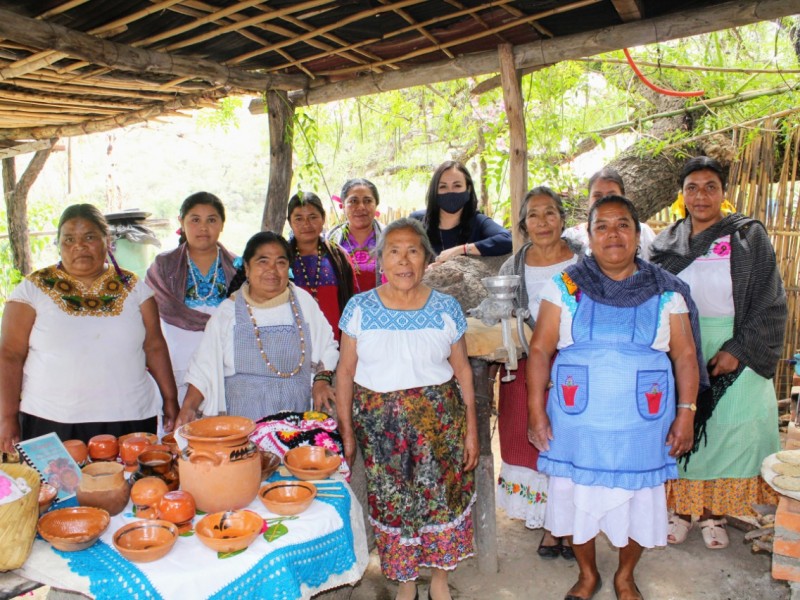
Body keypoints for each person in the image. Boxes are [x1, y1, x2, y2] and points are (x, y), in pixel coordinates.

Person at [527, 195, 704, 600]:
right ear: (588, 236)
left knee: (639, 503)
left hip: (641, 426)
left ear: (638, 233)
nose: (613, 234)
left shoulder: (665, 290)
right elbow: (539, 350)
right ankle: (588, 574)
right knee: (577, 500)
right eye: (602, 226)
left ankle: (625, 575)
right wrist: (537, 411)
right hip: (578, 424)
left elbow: (686, 355)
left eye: (622, 224)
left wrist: (686, 414)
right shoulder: (566, 285)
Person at [336, 218, 478, 600]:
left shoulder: (447, 308)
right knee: (393, 504)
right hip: (382, 432)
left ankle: (440, 580)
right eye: (394, 251)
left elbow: (463, 370)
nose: (404, 260)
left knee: (442, 500)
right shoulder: (359, 308)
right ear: (381, 260)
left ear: (426, 260)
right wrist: (346, 430)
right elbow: (345, 372)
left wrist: (471, 431)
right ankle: (405, 581)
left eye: (413, 250)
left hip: (440, 425)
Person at [650, 156, 786, 550]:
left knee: (732, 429)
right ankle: (681, 511)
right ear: (682, 195)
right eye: (692, 187)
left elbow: (770, 298)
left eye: (711, 186)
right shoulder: (666, 244)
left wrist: (738, 350)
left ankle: (714, 516)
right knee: (680, 425)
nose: (701, 195)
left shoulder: (747, 236)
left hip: (735, 342)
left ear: (724, 193)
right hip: (681, 346)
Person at [0, 204, 178, 451]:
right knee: (58, 489)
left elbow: (155, 346)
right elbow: (9, 355)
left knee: (129, 487)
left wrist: (170, 398)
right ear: (59, 244)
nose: (79, 246)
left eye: (89, 237)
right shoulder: (32, 290)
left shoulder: (134, 287)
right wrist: (7, 417)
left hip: (130, 417)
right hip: (50, 420)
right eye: (69, 239)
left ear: (107, 240)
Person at [174, 231, 339, 429]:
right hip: (243, 427)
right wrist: (188, 407)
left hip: (296, 423)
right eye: (263, 261)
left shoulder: (303, 302)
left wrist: (321, 381)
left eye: (281, 262)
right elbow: (203, 368)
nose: (273, 270)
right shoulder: (228, 312)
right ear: (247, 267)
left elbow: (328, 346)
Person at [496, 186, 579, 559]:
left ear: (563, 219)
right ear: (523, 224)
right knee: (532, 444)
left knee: (570, 445)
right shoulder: (513, 266)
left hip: (574, 368)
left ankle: (571, 525)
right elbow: (499, 311)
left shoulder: (583, 263)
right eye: (533, 215)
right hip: (527, 367)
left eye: (549, 213)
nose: (542, 222)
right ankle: (549, 525)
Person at [145, 192, 237, 406]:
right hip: (177, 368)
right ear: (182, 222)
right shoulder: (163, 267)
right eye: (195, 219)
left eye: (211, 220)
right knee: (181, 434)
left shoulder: (238, 267)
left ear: (222, 224)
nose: (203, 228)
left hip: (226, 368)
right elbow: (148, 326)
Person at [411, 160, 512, 263]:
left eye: (457, 186)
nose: (450, 191)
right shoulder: (416, 221)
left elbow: (507, 240)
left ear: (468, 189)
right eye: (443, 186)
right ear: (435, 191)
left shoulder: (478, 221)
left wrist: (461, 250)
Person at [288, 192, 356, 339]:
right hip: (293, 343)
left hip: (335, 343)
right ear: (289, 222)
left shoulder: (339, 257)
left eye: (313, 217)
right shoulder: (282, 258)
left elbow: (354, 302)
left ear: (323, 218)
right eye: (298, 218)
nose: (306, 224)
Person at [563, 167, 657, 260]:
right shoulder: (571, 236)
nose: (604, 201)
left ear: (623, 199)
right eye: (597, 196)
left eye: (612, 195)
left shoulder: (643, 233)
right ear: (588, 200)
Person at [327, 178, 383, 293]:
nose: (361, 207)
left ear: (376, 204)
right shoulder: (331, 239)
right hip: (344, 309)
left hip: (384, 308)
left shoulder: (390, 237)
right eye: (353, 201)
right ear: (343, 206)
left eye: (367, 201)